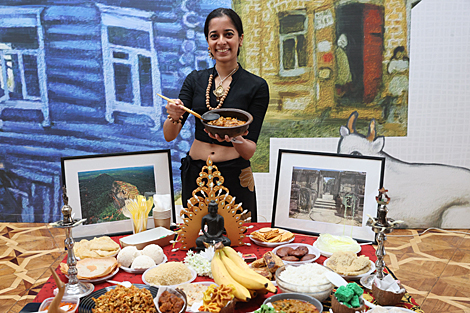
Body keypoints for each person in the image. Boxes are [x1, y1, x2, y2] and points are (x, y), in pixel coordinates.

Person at [163, 8, 269, 222]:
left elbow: (249, 151)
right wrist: (174, 115)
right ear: (208, 42)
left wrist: (235, 138)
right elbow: (169, 135)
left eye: (228, 34)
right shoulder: (195, 79)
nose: (221, 41)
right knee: (196, 244)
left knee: (239, 245)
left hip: (234, 176)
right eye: (214, 36)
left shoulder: (256, 86)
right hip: (197, 174)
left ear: (240, 39)